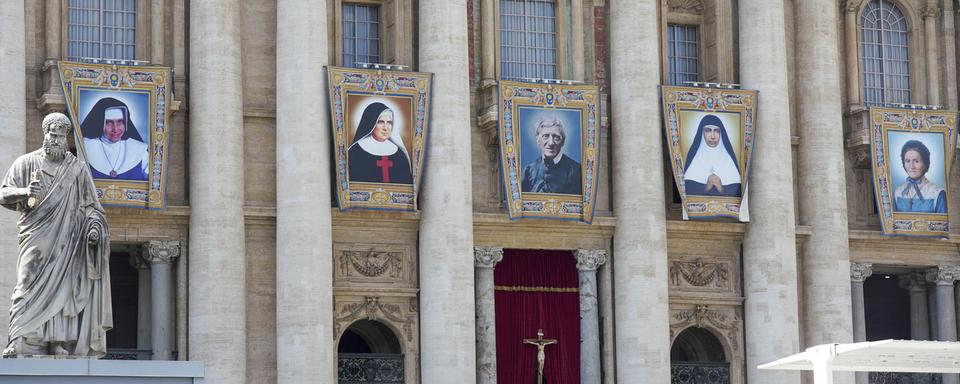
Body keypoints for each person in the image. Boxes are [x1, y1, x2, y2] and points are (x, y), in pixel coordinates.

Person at [0, 113, 112, 357]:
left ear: (66, 138)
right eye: (53, 135)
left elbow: (92, 206)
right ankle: (18, 338)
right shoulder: (25, 163)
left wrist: (94, 228)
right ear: (45, 135)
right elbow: (3, 194)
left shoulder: (77, 169)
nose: (57, 140)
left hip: (67, 239)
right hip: (35, 235)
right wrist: (23, 191)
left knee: (63, 287)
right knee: (26, 282)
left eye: (62, 137)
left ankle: (58, 341)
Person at [80, 97, 149, 181]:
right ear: (99, 123)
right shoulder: (84, 147)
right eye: (109, 123)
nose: (115, 129)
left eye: (120, 122)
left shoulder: (140, 150)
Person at [348, 102, 413, 184]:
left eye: (389, 122)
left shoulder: (400, 154)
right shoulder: (355, 151)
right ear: (371, 124)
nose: (385, 128)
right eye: (380, 122)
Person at [521, 115, 582, 195]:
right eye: (545, 136)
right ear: (538, 140)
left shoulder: (576, 170)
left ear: (563, 141)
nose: (551, 143)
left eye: (556, 137)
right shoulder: (529, 171)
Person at [683, 114, 741, 197]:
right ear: (702, 133)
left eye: (716, 131)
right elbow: (685, 193)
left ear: (721, 133)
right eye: (708, 130)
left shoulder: (729, 160)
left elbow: (737, 193)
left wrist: (721, 189)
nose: (713, 136)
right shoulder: (694, 159)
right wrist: (706, 187)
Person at [893, 139, 947, 213]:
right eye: (908, 161)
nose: (911, 166)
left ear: (925, 164)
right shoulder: (898, 192)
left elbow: (942, 223)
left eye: (916, 161)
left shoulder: (937, 193)